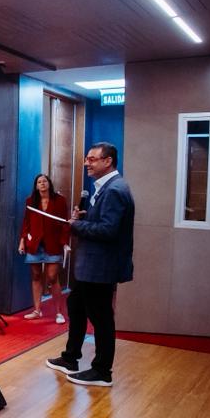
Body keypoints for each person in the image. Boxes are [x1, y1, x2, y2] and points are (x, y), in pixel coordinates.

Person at [47, 142, 135, 388]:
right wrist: (86, 219)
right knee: (76, 306)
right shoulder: (106, 187)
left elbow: (108, 230)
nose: (87, 163)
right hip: (92, 266)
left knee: (101, 317)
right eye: (87, 158)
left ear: (108, 161)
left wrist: (77, 225)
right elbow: (104, 221)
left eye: (92, 159)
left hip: (101, 267)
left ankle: (102, 371)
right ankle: (70, 358)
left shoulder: (115, 189)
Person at [18, 173, 69, 324]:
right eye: (39, 182)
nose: (42, 183)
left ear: (49, 183)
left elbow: (65, 223)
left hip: (53, 244)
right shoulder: (30, 201)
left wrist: (64, 242)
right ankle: (37, 310)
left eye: (44, 181)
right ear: (36, 186)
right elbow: (26, 222)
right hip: (34, 244)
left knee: (52, 277)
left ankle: (59, 312)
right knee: (35, 276)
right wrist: (22, 241)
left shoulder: (60, 200)